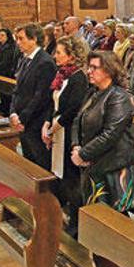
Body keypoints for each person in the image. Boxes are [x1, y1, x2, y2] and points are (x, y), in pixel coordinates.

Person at [71, 51, 134, 212]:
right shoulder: (93, 92)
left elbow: (110, 135)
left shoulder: (119, 97)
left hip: (114, 168)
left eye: (94, 67)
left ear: (109, 70)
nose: (89, 71)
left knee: (113, 218)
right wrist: (76, 146)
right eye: (89, 67)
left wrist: (83, 155)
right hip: (94, 163)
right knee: (96, 214)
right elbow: (77, 120)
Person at [42, 35, 89, 236]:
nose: (55, 56)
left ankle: (78, 223)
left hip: (69, 134)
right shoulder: (62, 75)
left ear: (71, 55)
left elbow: (72, 109)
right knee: (62, 177)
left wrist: (53, 129)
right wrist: (46, 124)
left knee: (72, 179)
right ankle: (67, 211)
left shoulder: (78, 78)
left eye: (59, 52)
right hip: (57, 129)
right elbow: (53, 102)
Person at [10, 23, 57, 170]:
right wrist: (13, 112)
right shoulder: (25, 59)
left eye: (21, 39)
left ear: (34, 39)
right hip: (23, 120)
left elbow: (41, 96)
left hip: (35, 121)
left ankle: (45, 193)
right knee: (29, 162)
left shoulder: (45, 62)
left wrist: (22, 118)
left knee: (40, 163)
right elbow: (17, 89)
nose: (18, 42)